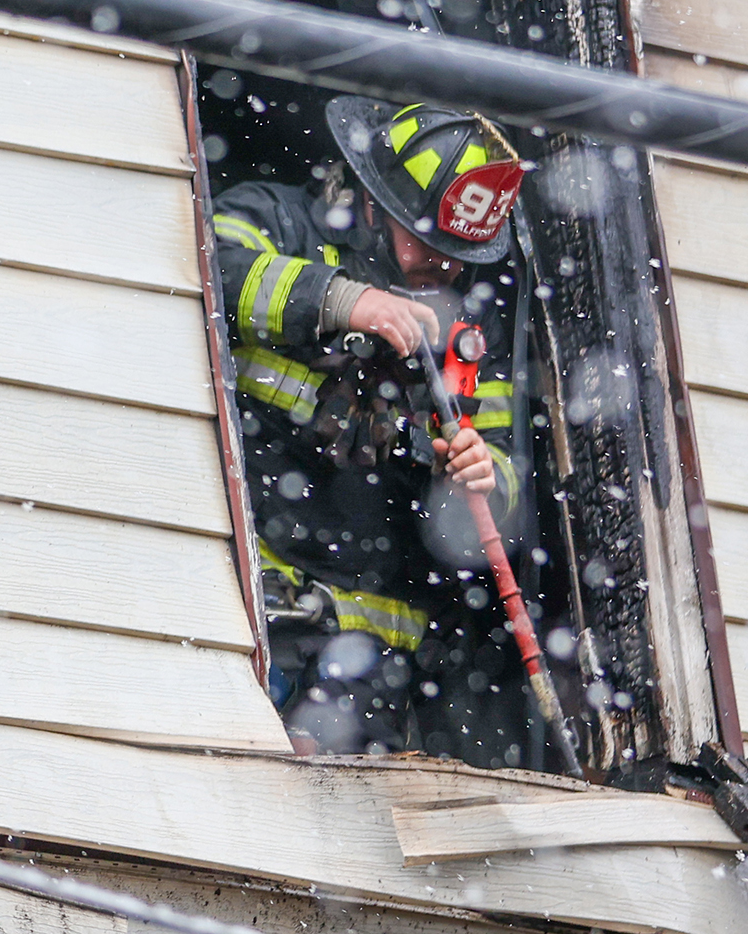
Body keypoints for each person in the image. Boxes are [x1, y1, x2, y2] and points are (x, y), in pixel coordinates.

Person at [212, 97, 535, 759]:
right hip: (241, 611)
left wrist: (483, 473)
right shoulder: (279, 221)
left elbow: (502, 477)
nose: (443, 268)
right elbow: (208, 273)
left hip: (371, 656)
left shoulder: (472, 328)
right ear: (372, 200)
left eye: (458, 254)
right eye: (426, 242)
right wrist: (337, 300)